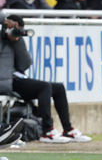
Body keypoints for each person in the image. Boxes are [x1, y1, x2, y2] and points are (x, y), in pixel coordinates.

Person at [3, 14, 91, 143]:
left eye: (19, 30)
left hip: (16, 78)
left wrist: (18, 41)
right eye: (14, 29)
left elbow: (25, 64)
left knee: (59, 88)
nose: (16, 32)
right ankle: (47, 131)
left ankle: (68, 129)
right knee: (44, 86)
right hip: (6, 81)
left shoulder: (16, 42)